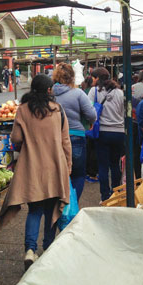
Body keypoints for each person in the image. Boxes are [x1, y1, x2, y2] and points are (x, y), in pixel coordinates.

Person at [0, 75, 71, 270]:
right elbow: (65, 142)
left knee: (35, 211)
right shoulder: (58, 111)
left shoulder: (23, 109)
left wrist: (29, 142)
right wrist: (68, 166)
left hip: (32, 168)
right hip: (55, 168)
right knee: (51, 210)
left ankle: (30, 250)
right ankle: (48, 248)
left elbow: (16, 138)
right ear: (48, 90)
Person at [52, 63, 97, 201]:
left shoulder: (50, 94)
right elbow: (92, 115)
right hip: (75, 136)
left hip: (55, 138)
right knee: (77, 175)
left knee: (57, 175)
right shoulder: (78, 93)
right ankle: (71, 206)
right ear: (72, 77)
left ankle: (58, 207)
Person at [88, 67, 125, 202]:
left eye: (93, 78)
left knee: (103, 166)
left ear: (97, 78)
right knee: (115, 165)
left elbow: (89, 110)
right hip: (119, 133)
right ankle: (116, 195)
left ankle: (105, 197)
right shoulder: (120, 93)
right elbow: (124, 111)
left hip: (102, 132)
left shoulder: (94, 91)